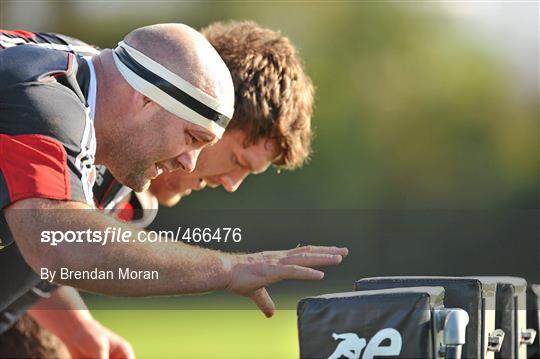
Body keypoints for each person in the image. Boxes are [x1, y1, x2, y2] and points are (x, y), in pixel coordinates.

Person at [0, 24, 348, 357]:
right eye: (197, 137)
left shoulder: (96, 96)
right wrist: (228, 269)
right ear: (151, 97)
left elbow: (40, 241)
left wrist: (78, 327)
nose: (192, 163)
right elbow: (57, 241)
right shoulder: (46, 97)